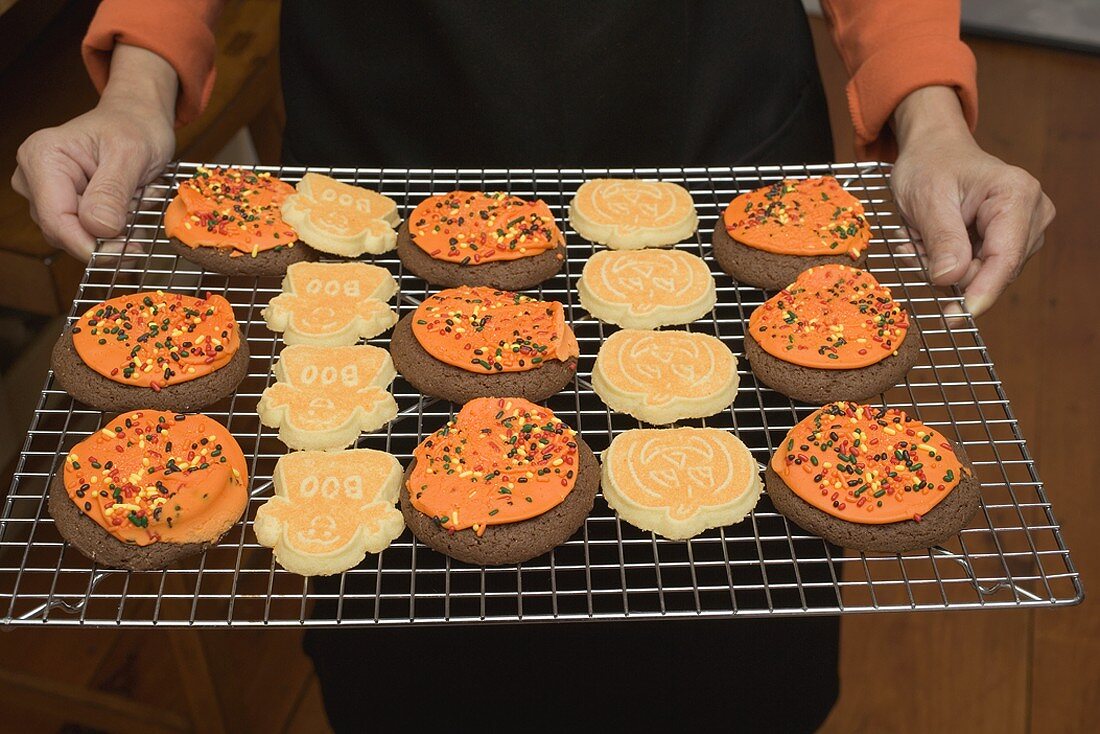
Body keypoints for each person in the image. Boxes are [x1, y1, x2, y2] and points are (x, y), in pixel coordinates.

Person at [11, 1, 1055, 730]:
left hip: (708, 154)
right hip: (395, 171)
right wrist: (141, 78)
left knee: (719, 632)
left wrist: (927, 105)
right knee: (419, 640)